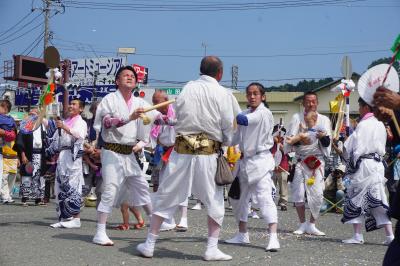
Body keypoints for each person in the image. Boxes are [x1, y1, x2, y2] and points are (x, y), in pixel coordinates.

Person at [137, 56, 239, 261]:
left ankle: (150, 243)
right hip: (208, 153)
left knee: (166, 193)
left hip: (181, 150)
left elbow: (180, 116)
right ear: (219, 73)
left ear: (200, 70)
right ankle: (211, 248)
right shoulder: (224, 94)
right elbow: (230, 126)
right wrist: (227, 142)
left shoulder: (187, 88)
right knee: (214, 199)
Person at [92, 66, 153, 246]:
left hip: (128, 153)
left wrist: (171, 119)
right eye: (125, 75)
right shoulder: (109, 100)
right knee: (110, 190)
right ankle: (100, 232)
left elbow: (156, 117)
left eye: (132, 76)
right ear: (117, 81)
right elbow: (107, 122)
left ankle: (157, 223)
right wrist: (129, 118)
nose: (130, 77)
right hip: (111, 151)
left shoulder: (140, 102)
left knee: (142, 186)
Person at [225, 82, 280, 251]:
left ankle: (273, 237)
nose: (252, 96)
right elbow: (233, 139)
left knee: (264, 199)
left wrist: (225, 102)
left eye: (256, 93)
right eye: (249, 94)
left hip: (261, 161)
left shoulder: (264, 113)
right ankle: (242, 234)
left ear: (262, 96)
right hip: (244, 162)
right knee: (236, 199)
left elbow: (243, 120)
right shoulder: (245, 113)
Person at [341, 97, 394, 245]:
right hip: (378, 164)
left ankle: (357, 235)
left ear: (365, 107)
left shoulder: (363, 124)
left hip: (364, 164)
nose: (358, 109)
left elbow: (356, 148)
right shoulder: (380, 124)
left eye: (359, 106)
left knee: (356, 197)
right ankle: (390, 235)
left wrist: (348, 161)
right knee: (378, 198)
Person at [285, 91, 331, 236]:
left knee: (317, 194)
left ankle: (312, 224)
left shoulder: (324, 119)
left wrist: (321, 137)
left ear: (317, 103)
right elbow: (290, 140)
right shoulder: (296, 117)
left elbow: (327, 143)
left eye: (313, 101)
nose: (311, 104)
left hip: (316, 161)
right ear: (303, 103)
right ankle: (302, 223)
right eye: (308, 101)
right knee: (298, 193)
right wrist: (300, 140)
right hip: (300, 160)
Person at [150, 90, 189, 232]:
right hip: (162, 151)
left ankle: (183, 218)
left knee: (182, 184)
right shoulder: (156, 115)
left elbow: (184, 124)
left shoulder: (177, 110)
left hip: (178, 150)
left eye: (156, 101)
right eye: (153, 101)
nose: (154, 104)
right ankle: (168, 219)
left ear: (165, 100)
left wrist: (169, 121)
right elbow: (154, 135)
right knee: (162, 185)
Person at [49, 99, 87, 228]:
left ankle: (76, 219)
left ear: (81, 109)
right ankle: (64, 218)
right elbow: (56, 138)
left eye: (74, 104)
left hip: (73, 156)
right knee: (60, 185)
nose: (70, 106)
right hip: (63, 155)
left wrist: (64, 127)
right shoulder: (66, 121)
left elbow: (80, 135)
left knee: (72, 185)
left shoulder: (81, 122)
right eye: (70, 103)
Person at [15, 109, 47, 206]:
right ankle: (25, 198)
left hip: (40, 155)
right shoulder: (25, 127)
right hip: (29, 154)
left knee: (39, 177)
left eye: (35, 115)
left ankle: (38, 199)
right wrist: (23, 155)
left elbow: (46, 141)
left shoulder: (42, 126)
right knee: (27, 176)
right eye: (31, 114)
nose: (33, 116)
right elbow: (20, 143)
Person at [271, 124, 289, 211]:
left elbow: (288, 152)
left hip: (283, 166)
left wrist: (279, 144)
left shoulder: (286, 140)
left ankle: (283, 202)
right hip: (271, 166)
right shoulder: (270, 140)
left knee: (283, 185)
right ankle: (270, 202)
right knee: (270, 185)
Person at [0, 100, 16, 193]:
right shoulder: (10, 120)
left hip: (3, 152)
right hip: (4, 151)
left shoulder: (8, 120)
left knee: (4, 176)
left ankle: (6, 195)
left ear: (5, 109)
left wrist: (4, 132)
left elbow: (12, 136)